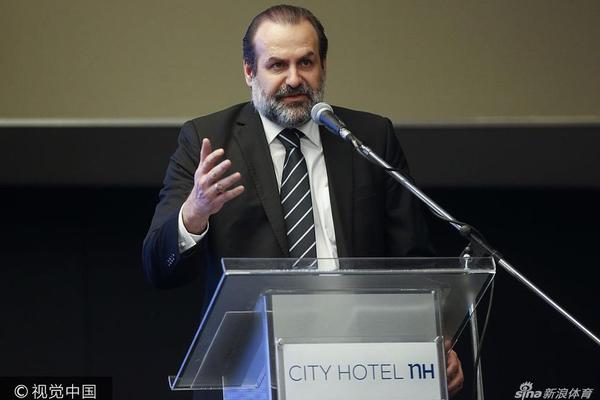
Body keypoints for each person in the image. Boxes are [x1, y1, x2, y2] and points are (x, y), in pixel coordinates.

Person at [143, 4, 463, 396]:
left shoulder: (369, 138)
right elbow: (158, 266)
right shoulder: (207, 140)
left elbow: (412, 260)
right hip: (253, 374)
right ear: (249, 72)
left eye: (306, 63)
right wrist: (194, 212)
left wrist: (432, 340)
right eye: (277, 65)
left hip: (364, 367)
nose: (294, 79)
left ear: (323, 67)